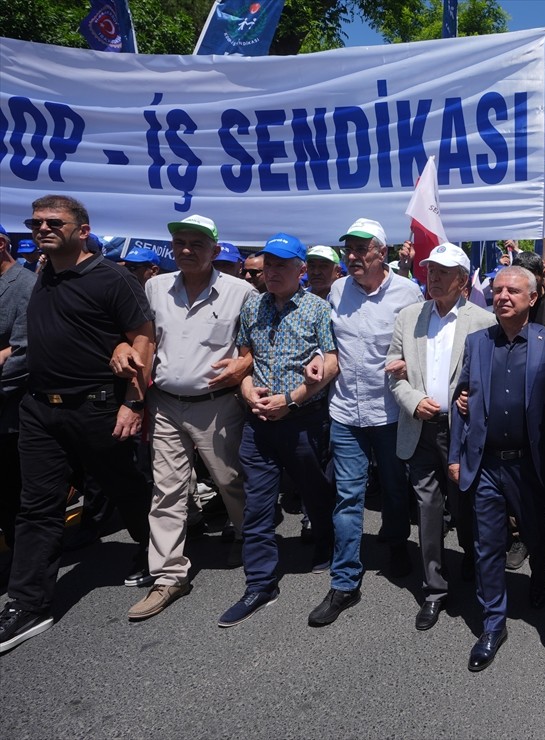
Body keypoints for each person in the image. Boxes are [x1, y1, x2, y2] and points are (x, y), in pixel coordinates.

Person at [0, 195, 154, 655]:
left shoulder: (113, 278)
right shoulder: (44, 271)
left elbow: (143, 338)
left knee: (126, 487)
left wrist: (133, 402)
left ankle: (155, 552)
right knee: (37, 506)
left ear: (82, 230)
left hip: (99, 408)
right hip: (40, 411)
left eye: (53, 222)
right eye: (36, 222)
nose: (42, 228)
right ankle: (29, 604)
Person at [127, 214, 257, 622]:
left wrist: (244, 364)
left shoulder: (242, 292)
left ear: (215, 251)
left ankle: (250, 540)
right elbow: (143, 337)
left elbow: (257, 343)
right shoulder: (155, 286)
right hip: (164, 403)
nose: (186, 250)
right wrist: (122, 349)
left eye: (196, 244)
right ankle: (168, 575)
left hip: (217, 404)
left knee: (230, 479)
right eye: (180, 242)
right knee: (167, 490)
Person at [219, 233, 339, 628]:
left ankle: (325, 540)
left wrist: (292, 399)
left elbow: (332, 361)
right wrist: (248, 389)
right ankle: (260, 583)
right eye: (267, 265)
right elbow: (245, 359)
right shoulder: (253, 306)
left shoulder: (318, 310)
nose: (271, 272)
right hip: (259, 422)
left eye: (281, 265)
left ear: (301, 270)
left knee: (315, 489)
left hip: (302, 419)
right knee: (257, 502)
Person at [308, 218, 423, 627]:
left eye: (360, 250)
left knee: (394, 488)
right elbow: (327, 343)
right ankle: (344, 582)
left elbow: (422, 345)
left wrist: (412, 364)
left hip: (390, 412)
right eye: (348, 250)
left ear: (382, 253)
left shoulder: (409, 293)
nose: (352, 257)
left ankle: (394, 541)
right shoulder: (337, 290)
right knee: (347, 495)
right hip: (345, 413)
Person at [448, 266, 545, 671]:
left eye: (513, 290)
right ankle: (493, 624)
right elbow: (462, 395)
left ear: (533, 298)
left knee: (535, 534)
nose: (502, 296)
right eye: (496, 290)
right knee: (487, 546)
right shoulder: (477, 343)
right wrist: (456, 457)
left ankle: (541, 574)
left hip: (530, 465)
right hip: (486, 463)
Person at [387, 243, 496, 631]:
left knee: (466, 507)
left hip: (462, 432)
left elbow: (492, 378)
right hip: (420, 429)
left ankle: (470, 553)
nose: (433, 277)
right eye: (431, 270)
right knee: (427, 510)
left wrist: (471, 397)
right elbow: (393, 371)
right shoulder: (408, 317)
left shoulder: (483, 321)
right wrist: (414, 401)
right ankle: (434, 588)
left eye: (443, 272)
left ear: (463, 281)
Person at [0, 223, 38, 553]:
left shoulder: (25, 285)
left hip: (10, 411)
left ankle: (18, 559)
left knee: (12, 493)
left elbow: (24, 351)